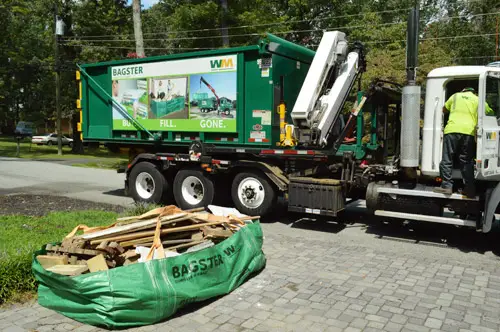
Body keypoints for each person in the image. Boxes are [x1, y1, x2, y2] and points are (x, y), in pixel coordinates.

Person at [434, 87, 479, 197]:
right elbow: (489, 112)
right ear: (473, 92)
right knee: (466, 161)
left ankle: (447, 186)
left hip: (452, 130)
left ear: (463, 91)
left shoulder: (455, 96)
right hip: (469, 132)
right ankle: (469, 189)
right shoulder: (478, 99)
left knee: (447, 158)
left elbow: (444, 109)